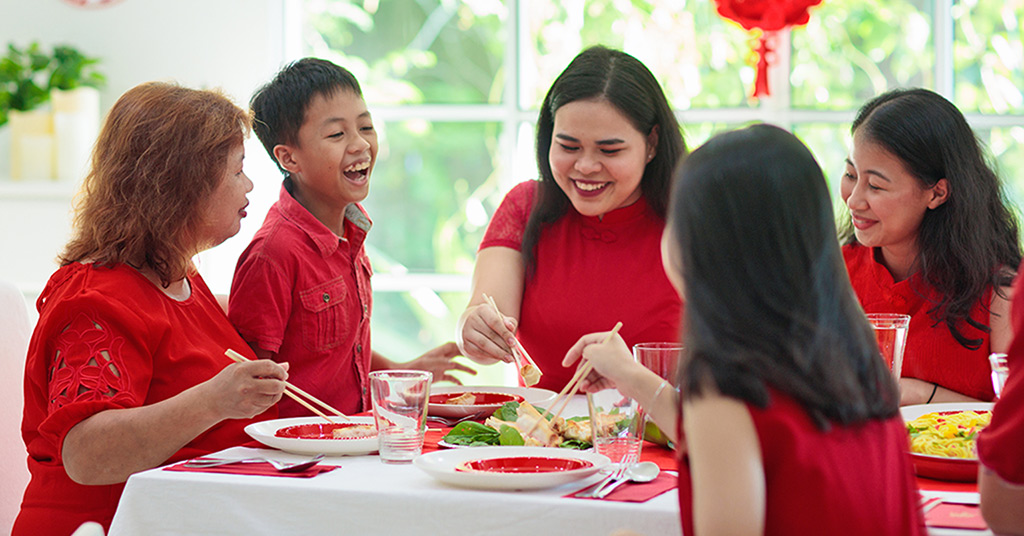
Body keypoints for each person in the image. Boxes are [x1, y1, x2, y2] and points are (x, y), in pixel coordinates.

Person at [566, 124, 923, 535]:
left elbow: (725, 438)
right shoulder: (851, 351)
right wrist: (631, 376)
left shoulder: (728, 385)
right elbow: (732, 444)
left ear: (705, 246)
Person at [13, 83, 288, 536]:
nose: (250, 185)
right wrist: (214, 401)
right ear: (183, 183)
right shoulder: (95, 301)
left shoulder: (177, 276)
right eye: (238, 170)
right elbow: (86, 454)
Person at [230, 58, 471, 417]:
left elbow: (342, 350)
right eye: (337, 135)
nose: (360, 145)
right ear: (289, 158)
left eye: (366, 127)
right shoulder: (273, 253)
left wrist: (401, 374)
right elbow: (249, 387)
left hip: (353, 438)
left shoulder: (350, 233)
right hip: (301, 460)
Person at [456, 46, 686, 391]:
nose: (586, 167)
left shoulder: (690, 219)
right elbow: (486, 311)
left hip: (660, 437)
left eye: (609, 150)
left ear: (651, 143)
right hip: (544, 438)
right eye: (568, 146)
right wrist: (474, 330)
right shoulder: (526, 206)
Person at [840, 88, 1021, 405]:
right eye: (851, 174)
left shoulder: (1002, 292)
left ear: (937, 193)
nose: (854, 200)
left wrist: (919, 394)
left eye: (876, 186)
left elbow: (1014, 422)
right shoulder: (834, 273)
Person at [978, 258, 1024, 534]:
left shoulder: (998, 284)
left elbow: (1004, 509)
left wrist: (923, 392)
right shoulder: (844, 267)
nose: (855, 209)